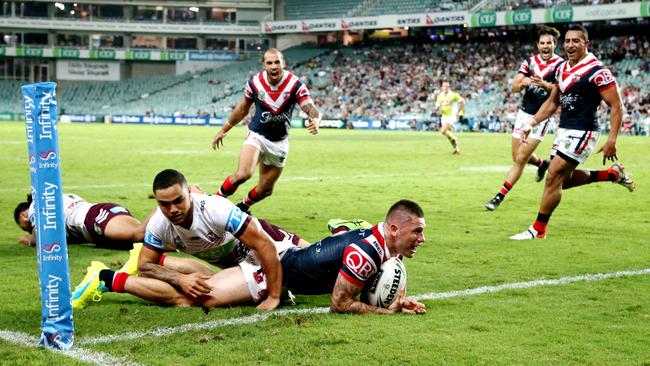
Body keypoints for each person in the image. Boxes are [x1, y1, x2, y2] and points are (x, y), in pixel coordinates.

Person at [71, 169, 298, 311]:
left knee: (200, 294)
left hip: (267, 247)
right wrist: (180, 279)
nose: (172, 210)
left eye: (178, 200)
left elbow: (264, 243)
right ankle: (107, 278)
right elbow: (144, 267)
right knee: (198, 291)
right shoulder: (158, 224)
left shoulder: (216, 210)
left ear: (190, 193)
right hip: (237, 265)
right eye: (164, 204)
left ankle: (113, 279)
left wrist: (274, 295)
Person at [510, 25, 636, 240]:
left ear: (586, 43)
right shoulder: (562, 69)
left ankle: (538, 229)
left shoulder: (597, 71)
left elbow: (617, 105)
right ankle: (612, 174)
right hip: (564, 129)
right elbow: (553, 102)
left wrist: (612, 139)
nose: (570, 45)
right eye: (567, 41)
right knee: (563, 181)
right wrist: (531, 123)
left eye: (575, 41)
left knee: (552, 176)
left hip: (584, 131)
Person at [211, 48, 321, 213]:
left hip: (280, 143)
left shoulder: (295, 84)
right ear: (264, 65)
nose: (274, 66)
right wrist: (224, 129)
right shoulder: (254, 83)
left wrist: (315, 119)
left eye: (277, 62)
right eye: (269, 62)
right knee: (243, 174)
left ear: (283, 63)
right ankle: (214, 202)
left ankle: (242, 207)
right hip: (257, 135)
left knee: (265, 190)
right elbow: (242, 109)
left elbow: (310, 107)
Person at [280, 199, 427, 314]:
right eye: (417, 231)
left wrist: (400, 303)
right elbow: (339, 304)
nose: (422, 238)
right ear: (394, 229)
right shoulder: (365, 253)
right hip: (274, 272)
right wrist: (388, 312)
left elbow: (369, 295)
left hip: (293, 255)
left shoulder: (393, 249)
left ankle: (343, 230)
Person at [485, 26, 564, 211]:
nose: (545, 46)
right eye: (542, 43)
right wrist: (523, 83)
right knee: (517, 156)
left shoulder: (561, 65)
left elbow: (560, 92)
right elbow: (513, 86)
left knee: (520, 159)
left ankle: (499, 197)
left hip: (541, 117)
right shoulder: (530, 62)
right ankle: (541, 163)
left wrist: (544, 85)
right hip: (523, 114)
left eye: (549, 43)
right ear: (537, 45)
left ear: (555, 44)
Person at [14, 193, 148, 250]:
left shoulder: (35, 205)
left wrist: (29, 240)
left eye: (26, 228)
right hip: (98, 217)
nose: (29, 230)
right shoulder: (57, 199)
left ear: (23, 215)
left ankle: (162, 207)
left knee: (140, 234)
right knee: (147, 241)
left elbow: (39, 236)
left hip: (95, 218)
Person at [435, 80, 464, 155]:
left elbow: (462, 101)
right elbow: (437, 105)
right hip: (444, 116)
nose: (445, 88)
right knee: (448, 136)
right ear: (441, 87)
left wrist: (459, 111)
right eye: (444, 86)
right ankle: (456, 150)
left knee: (442, 131)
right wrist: (436, 108)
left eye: (447, 86)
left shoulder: (453, 95)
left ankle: (455, 138)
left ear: (449, 87)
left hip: (452, 116)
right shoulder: (440, 96)